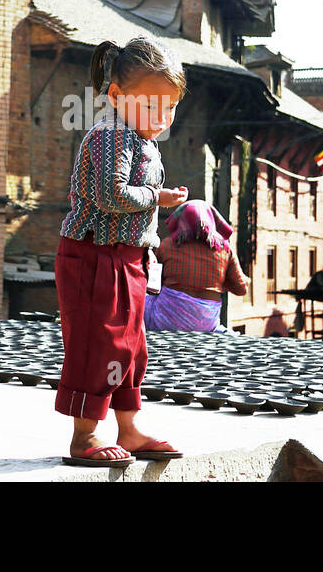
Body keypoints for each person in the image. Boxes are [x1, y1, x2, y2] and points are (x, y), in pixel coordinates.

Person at [54, 36, 189, 468]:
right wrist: (158, 197)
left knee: (131, 346)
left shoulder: (144, 142)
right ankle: (85, 435)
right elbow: (110, 195)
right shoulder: (109, 136)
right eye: (152, 106)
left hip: (128, 257)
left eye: (170, 108)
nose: (162, 117)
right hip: (94, 255)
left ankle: (129, 429)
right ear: (116, 96)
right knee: (99, 342)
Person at [148, 200, 250, 332]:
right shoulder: (224, 250)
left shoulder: (167, 245)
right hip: (206, 324)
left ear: (181, 221)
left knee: (142, 302)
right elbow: (241, 289)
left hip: (167, 321)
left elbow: (153, 284)